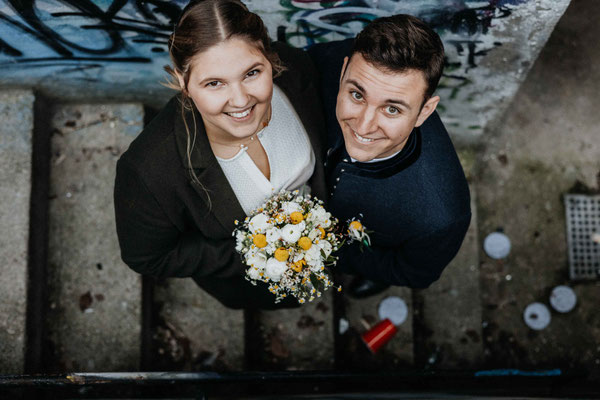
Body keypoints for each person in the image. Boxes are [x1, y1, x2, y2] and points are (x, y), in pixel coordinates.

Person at [114, 0, 327, 309]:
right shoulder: (148, 170)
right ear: (183, 82)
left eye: (252, 73)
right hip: (249, 283)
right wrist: (255, 251)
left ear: (270, 59)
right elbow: (148, 257)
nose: (240, 100)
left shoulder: (297, 72)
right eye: (214, 83)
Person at [308, 14, 471, 297]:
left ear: (425, 112)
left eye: (392, 109)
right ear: (343, 71)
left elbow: (413, 272)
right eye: (357, 95)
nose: (363, 125)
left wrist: (330, 249)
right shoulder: (328, 61)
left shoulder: (442, 217)